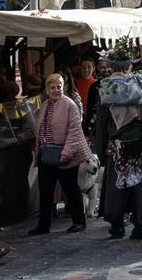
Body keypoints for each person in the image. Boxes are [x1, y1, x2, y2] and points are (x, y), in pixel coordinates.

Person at [94, 46, 142, 240]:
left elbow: (102, 122)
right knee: (140, 184)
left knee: (117, 186)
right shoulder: (141, 83)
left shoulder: (105, 87)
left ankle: (117, 225)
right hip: (140, 141)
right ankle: (139, 225)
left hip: (117, 143)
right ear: (129, 65)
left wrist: (100, 147)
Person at [29, 74, 93, 235]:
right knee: (46, 190)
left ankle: (79, 221)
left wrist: (66, 153)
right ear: (47, 90)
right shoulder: (44, 105)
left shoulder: (69, 104)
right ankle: (44, 225)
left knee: (70, 188)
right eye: (52, 87)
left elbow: (74, 131)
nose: (56, 90)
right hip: (47, 154)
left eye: (59, 86)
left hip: (65, 154)